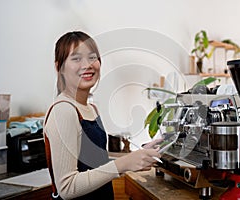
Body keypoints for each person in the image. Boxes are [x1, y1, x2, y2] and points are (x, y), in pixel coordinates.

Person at [43, 31, 162, 200]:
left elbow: (95, 165)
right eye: (76, 59)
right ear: (59, 68)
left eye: (92, 57)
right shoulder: (64, 110)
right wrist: (123, 164)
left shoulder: (91, 109)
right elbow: (67, 187)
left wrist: (135, 158)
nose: (87, 65)